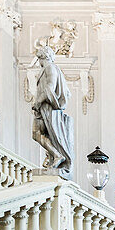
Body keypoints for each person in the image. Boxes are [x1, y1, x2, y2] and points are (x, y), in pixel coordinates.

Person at [31, 44, 75, 179]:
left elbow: (50, 87)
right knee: (36, 134)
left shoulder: (51, 68)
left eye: (39, 58)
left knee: (43, 134)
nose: (39, 61)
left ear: (43, 56)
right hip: (42, 108)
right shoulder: (45, 69)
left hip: (48, 107)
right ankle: (55, 155)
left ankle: (57, 155)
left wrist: (38, 101)